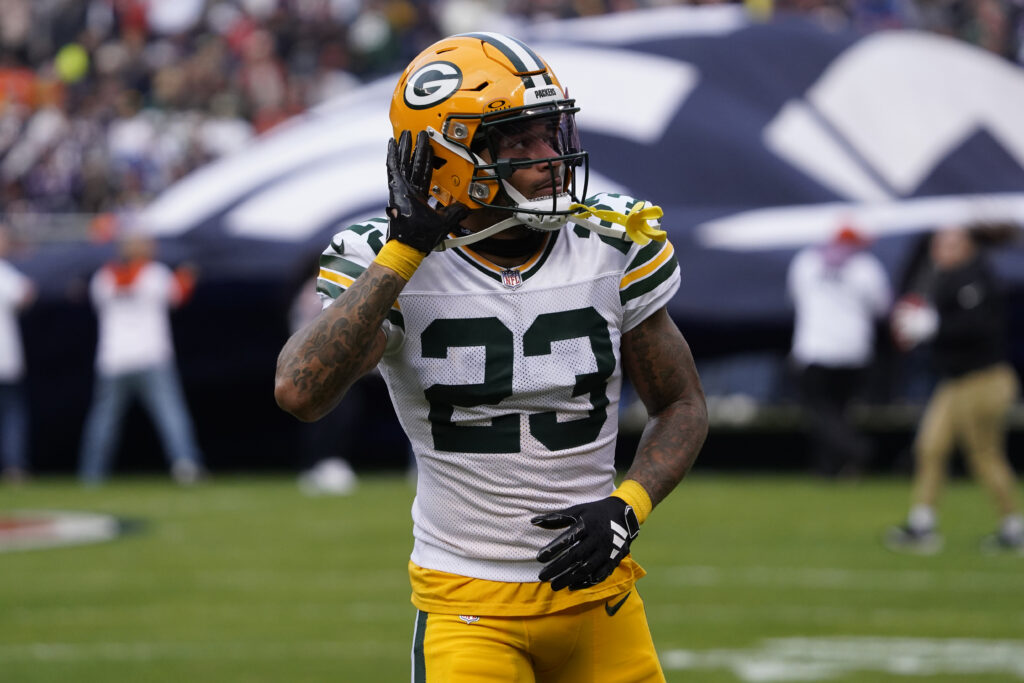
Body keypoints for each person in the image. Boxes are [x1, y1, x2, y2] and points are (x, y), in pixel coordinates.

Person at [275, 33, 708, 681]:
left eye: (551, 134)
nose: (551, 160)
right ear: (450, 156)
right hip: (466, 603)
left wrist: (629, 505)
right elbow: (300, 391)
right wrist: (405, 251)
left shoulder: (611, 240)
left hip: (600, 597)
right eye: (519, 143)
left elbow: (681, 404)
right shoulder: (384, 259)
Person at [886, 225, 1023, 554]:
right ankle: (922, 524)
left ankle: (1014, 527)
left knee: (984, 455)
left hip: (984, 379)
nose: (941, 250)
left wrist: (935, 326)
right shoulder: (941, 277)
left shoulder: (977, 278)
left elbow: (978, 328)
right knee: (930, 448)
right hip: (955, 380)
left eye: (950, 244)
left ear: (967, 247)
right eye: (939, 244)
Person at [78, 232, 206, 485]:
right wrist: (187, 275)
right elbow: (178, 295)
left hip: (113, 359)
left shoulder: (103, 278)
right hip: (151, 356)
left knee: (104, 421)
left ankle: (92, 474)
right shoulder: (156, 274)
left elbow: (98, 304)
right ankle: (185, 465)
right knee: (170, 414)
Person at [787, 225, 892, 478]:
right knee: (840, 410)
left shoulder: (806, 262)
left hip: (814, 348)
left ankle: (852, 451)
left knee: (820, 411)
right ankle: (832, 467)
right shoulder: (867, 267)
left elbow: (795, 298)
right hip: (854, 350)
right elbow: (882, 307)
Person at [0, 223, 36, 483]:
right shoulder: (5, 274)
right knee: (12, 413)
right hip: (5, 358)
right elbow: (27, 294)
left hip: (7, 359)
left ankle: (14, 466)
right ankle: (14, 467)